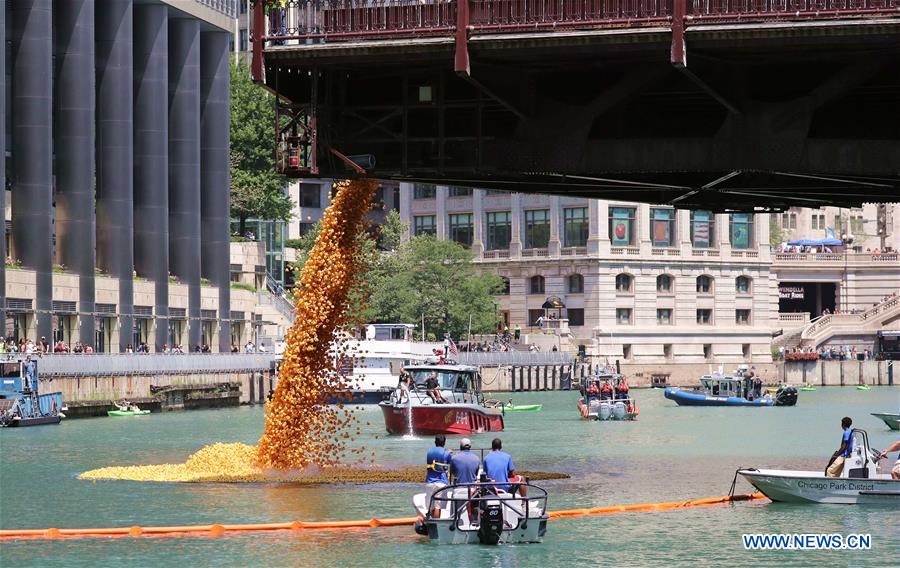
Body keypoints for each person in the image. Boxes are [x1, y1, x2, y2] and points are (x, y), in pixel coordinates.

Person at [425, 435, 452, 517]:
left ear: (435, 442)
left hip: (429, 482)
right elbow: (450, 464)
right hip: (441, 482)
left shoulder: (429, 451)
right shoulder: (447, 453)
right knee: (438, 506)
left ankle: (430, 523)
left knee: (430, 506)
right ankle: (436, 524)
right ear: (444, 442)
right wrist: (449, 453)